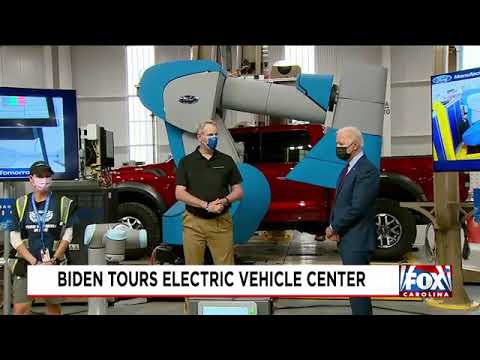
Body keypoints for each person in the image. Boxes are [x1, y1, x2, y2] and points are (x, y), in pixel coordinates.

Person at [9, 161, 76, 315]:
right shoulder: (20, 204)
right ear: (31, 179)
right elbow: (15, 238)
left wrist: (53, 260)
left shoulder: (63, 203)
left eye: (47, 176)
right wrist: (34, 262)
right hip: (25, 264)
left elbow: (68, 235)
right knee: (20, 308)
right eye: (40, 176)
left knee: (53, 306)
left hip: (53, 265)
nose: (44, 180)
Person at [325, 127, 380, 315]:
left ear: (355, 145)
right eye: (337, 144)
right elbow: (341, 201)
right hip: (348, 238)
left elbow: (358, 207)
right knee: (354, 291)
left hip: (358, 240)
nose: (338, 147)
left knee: (358, 294)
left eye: (341, 144)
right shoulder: (348, 168)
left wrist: (334, 226)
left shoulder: (366, 170)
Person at [175, 120, 244, 265]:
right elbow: (179, 193)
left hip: (221, 222)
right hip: (193, 223)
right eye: (210, 135)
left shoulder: (226, 161)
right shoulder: (186, 162)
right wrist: (206, 205)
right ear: (200, 137)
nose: (214, 138)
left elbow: (238, 191)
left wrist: (224, 201)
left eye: (216, 135)